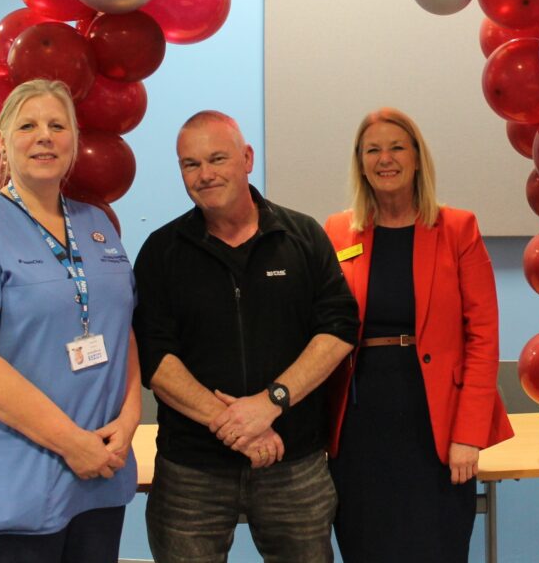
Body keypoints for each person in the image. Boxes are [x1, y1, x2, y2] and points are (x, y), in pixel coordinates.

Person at [0, 78, 140, 563]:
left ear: (75, 141)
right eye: (28, 125)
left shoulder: (96, 224)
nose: (45, 136)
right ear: (3, 140)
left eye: (57, 125)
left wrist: (129, 416)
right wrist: (71, 444)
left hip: (98, 478)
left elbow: (121, 327)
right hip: (13, 484)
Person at [132, 110, 359, 563]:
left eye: (217, 158)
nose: (205, 174)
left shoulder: (303, 236)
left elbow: (338, 329)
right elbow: (155, 358)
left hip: (293, 463)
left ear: (247, 158)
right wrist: (237, 424)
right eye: (190, 164)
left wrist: (270, 402)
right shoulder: (161, 251)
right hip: (191, 472)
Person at [324, 108, 514, 563]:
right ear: (360, 161)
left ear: (416, 158)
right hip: (359, 427)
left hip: (439, 427)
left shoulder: (457, 228)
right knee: (365, 547)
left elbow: (483, 337)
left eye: (396, 147)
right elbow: (324, 328)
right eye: (373, 150)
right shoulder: (337, 231)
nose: (384, 159)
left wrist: (468, 434)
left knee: (436, 547)